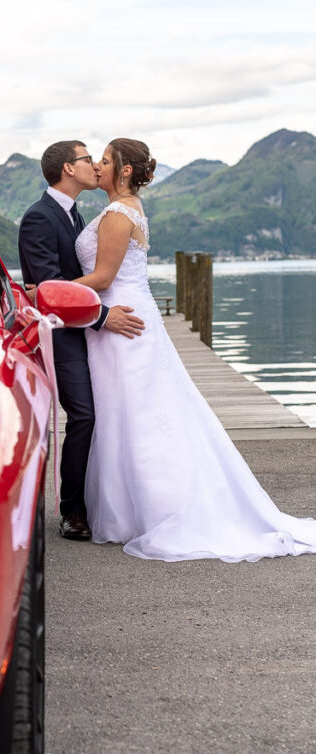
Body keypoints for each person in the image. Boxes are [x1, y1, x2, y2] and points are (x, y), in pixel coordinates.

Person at [72, 137, 316, 561]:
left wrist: (46, 291)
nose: (98, 165)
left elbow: (104, 277)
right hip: (129, 318)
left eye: (106, 160)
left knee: (131, 411)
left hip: (121, 320)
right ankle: (136, 505)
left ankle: (145, 510)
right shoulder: (129, 209)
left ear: (124, 170)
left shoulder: (115, 214)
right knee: (140, 410)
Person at [18, 140, 145, 540]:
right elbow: (52, 290)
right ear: (68, 169)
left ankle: (101, 500)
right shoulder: (39, 217)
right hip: (64, 335)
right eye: (87, 159)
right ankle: (72, 510)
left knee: (103, 413)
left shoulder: (75, 215)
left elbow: (57, 283)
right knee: (85, 415)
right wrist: (104, 315)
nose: (94, 165)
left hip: (89, 331)